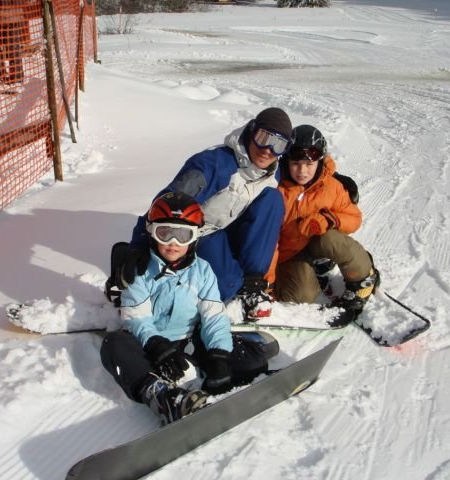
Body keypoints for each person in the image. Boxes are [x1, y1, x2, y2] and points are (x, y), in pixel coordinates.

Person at [100, 192, 272, 425]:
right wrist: (157, 346)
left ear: (195, 237)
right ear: (151, 232)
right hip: (149, 345)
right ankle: (164, 398)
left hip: (189, 341)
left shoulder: (203, 271)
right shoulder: (138, 270)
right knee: (114, 345)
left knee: (248, 358)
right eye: (165, 233)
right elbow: (137, 318)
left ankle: (226, 376)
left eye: (183, 235)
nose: (173, 243)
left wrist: (219, 356)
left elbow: (213, 316)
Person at [108, 107, 294, 321]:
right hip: (200, 234)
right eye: (263, 138)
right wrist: (139, 244)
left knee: (273, 200)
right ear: (252, 131)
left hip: (231, 230)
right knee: (224, 287)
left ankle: (251, 285)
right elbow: (169, 201)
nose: (268, 150)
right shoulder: (214, 164)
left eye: (279, 145)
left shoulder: (272, 173)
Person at [273, 124, 380, 327]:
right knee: (299, 296)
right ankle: (318, 273)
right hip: (290, 253)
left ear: (320, 161)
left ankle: (364, 278)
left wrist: (329, 219)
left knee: (330, 239)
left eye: (309, 164)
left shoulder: (331, 186)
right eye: (296, 163)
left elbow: (354, 217)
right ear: (286, 160)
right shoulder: (275, 187)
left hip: (317, 243)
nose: (302, 171)